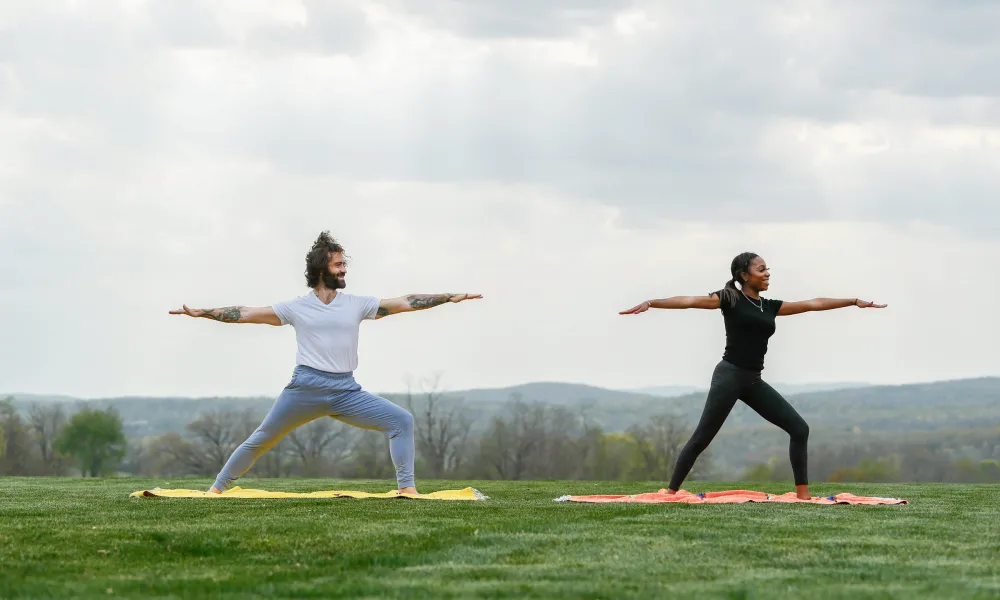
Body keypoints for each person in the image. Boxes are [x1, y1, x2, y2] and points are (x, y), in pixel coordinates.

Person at [169, 231, 481, 495]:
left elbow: (405, 301)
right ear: (322, 270)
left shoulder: (357, 304)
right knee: (261, 440)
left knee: (402, 421)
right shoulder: (296, 308)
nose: (345, 269)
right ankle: (217, 490)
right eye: (339, 264)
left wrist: (449, 296)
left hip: (347, 392)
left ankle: (407, 490)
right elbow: (245, 313)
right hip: (305, 389)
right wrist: (204, 312)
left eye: (345, 264)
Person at [619, 252, 885, 499]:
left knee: (799, 429)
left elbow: (812, 304)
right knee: (701, 438)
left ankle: (803, 496)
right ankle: (671, 493)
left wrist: (852, 302)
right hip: (729, 376)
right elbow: (689, 301)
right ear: (744, 275)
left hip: (753, 381)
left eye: (767, 269)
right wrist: (652, 303)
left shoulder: (769, 306)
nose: (767, 273)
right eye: (761, 269)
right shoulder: (730, 298)